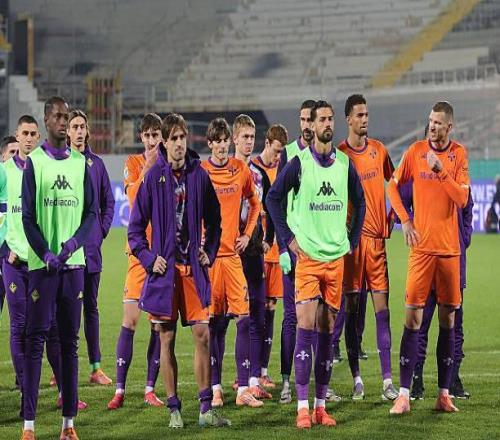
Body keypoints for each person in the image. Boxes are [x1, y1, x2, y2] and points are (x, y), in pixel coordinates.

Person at [267, 100, 365, 429]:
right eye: (321, 119)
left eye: (329, 119)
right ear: (312, 124)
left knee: (326, 334)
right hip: (308, 260)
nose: (326, 124)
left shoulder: (345, 165)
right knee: (305, 328)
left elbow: (361, 201)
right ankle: (301, 407)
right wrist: (288, 240)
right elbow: (273, 199)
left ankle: (321, 406)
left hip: (335, 261)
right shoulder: (299, 163)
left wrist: (352, 240)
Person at [128, 113, 230, 428]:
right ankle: (174, 409)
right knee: (167, 338)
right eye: (173, 138)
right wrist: (149, 259)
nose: (179, 143)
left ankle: (205, 409)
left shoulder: (199, 175)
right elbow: (134, 230)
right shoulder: (153, 177)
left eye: (182, 137)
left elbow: (216, 221)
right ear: (164, 142)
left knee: (203, 334)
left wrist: (208, 252)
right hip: (164, 274)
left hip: (192, 271)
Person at [387, 101, 470, 415]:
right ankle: (404, 395)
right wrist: (405, 221)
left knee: (448, 323)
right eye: (430, 121)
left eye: (438, 123)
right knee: (412, 320)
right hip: (421, 252)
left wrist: (441, 171)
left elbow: (462, 198)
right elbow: (392, 187)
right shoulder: (415, 151)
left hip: (449, 253)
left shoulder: (459, 155)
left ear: (449, 127)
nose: (432, 126)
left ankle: (444, 394)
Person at [21, 96, 96, 440]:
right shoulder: (34, 163)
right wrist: (46, 253)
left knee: (69, 345)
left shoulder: (81, 164)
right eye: (59, 117)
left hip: (73, 267)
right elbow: (27, 218)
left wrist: (72, 245)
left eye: (67, 117)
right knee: (35, 342)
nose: (64, 122)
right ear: (46, 120)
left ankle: (68, 425)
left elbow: (91, 213)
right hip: (42, 268)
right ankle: (29, 426)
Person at [337, 94, 398, 401]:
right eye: (359, 115)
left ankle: (387, 381)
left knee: (382, 311)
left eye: (366, 114)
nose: (365, 119)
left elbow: (396, 184)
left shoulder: (379, 150)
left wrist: (393, 215)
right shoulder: (339, 155)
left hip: (376, 244)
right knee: (351, 310)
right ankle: (357, 379)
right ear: (348, 119)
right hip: (352, 245)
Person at [201, 117, 263, 408]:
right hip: (211, 261)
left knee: (244, 320)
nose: (223, 146)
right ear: (210, 144)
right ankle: (216, 388)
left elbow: (255, 202)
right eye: (218, 141)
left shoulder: (240, 169)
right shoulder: (201, 172)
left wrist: (247, 234)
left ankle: (243, 390)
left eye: (226, 141)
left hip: (234, 259)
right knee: (214, 324)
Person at [108, 113, 164, 409]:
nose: (152, 140)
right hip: (138, 255)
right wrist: (148, 168)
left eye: (156, 135)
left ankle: (149, 389)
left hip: (162, 257)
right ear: (141, 137)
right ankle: (119, 390)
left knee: (157, 324)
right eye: (148, 135)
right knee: (129, 320)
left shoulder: (169, 165)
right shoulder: (133, 164)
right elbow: (133, 198)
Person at [67, 109, 115, 385]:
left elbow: (109, 201)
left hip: (91, 249)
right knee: (65, 309)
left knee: (91, 307)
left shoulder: (96, 164)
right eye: (74, 126)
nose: (79, 131)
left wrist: (101, 230)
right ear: (67, 132)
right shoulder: (61, 163)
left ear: (87, 131)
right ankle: (62, 366)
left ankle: (96, 368)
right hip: (68, 250)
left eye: (82, 126)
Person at [277, 99, 316, 404]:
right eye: (302, 119)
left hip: (319, 250)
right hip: (294, 250)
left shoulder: (329, 158)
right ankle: (286, 381)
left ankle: (318, 383)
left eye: (309, 119)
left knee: (320, 318)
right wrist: (283, 245)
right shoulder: (289, 154)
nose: (305, 125)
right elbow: (276, 200)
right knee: (291, 317)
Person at [232, 114, 273, 400]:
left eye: (251, 137)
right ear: (234, 138)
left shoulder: (260, 176)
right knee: (230, 319)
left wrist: (268, 240)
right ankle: (234, 381)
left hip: (255, 252)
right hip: (230, 254)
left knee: (258, 314)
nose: (249, 142)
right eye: (244, 137)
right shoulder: (225, 171)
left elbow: (270, 208)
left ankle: (254, 378)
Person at [253, 123, 288, 388]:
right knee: (254, 310)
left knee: (271, 308)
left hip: (277, 251)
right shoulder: (253, 169)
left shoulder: (283, 170)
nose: (278, 157)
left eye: (281, 153)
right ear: (266, 143)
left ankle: (263, 371)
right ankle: (249, 372)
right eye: (276, 151)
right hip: (257, 250)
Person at [0, 135, 17, 314]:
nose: (15, 156)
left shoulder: (27, 182)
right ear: (3, 156)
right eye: (12, 152)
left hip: (18, 254)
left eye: (18, 152)